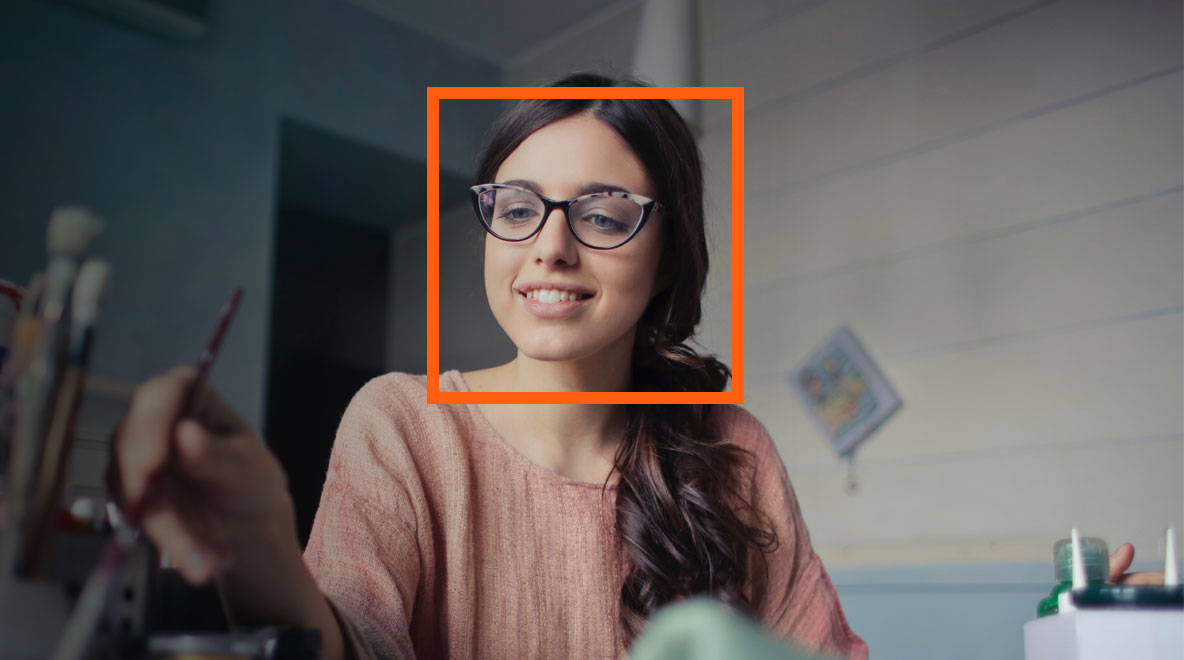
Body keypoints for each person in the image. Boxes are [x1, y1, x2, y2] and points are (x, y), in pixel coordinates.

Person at [110, 73, 1158, 660]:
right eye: (516, 210)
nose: (550, 249)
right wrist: (260, 549)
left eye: (605, 213)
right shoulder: (403, 426)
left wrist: (1075, 637)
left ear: (666, 257)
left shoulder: (732, 451)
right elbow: (354, 651)